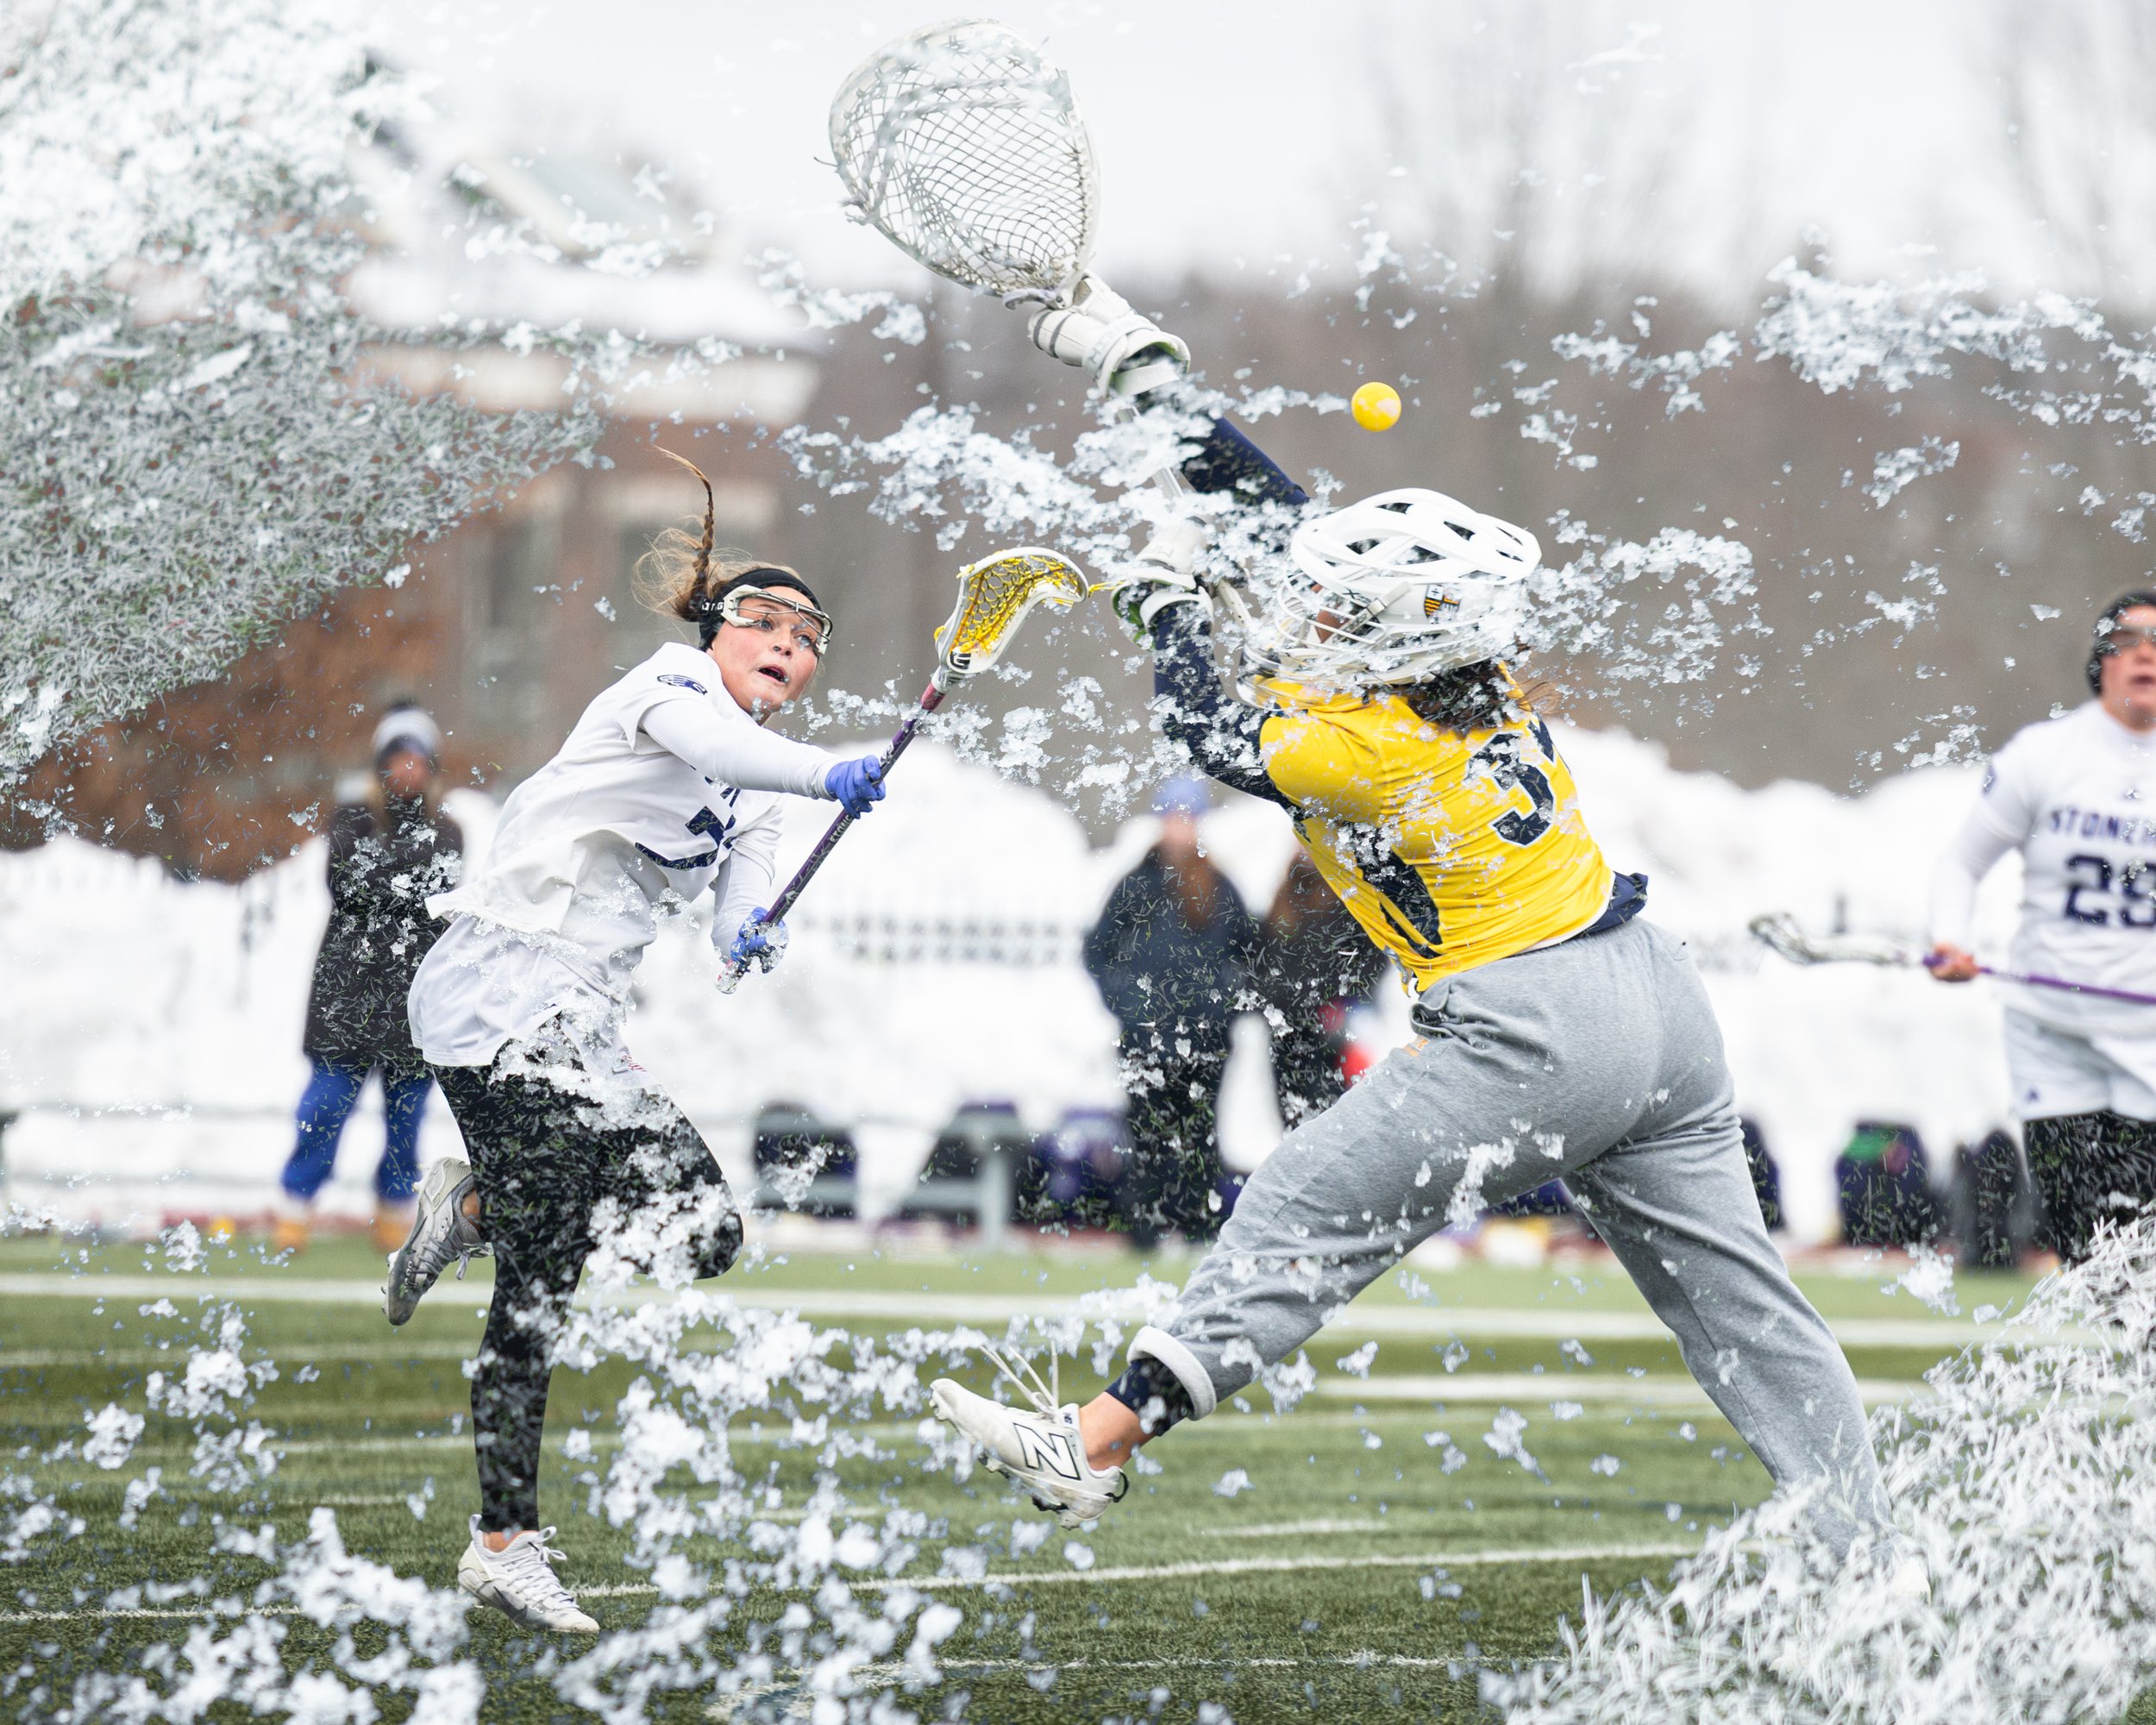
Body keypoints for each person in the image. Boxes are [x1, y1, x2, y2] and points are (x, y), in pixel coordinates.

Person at [931, 404, 1915, 1586]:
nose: (1320, 614)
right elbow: (1286, 527)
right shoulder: (1473, 677)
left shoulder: (1369, 744)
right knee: (1748, 1315)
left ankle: (1088, 1444)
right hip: (1660, 1007)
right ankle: (1874, 1553)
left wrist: (1170, 612)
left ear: (1403, 626)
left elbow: (1204, 726)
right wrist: (1161, 396)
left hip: (1538, 1031)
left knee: (1304, 1202)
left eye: (1345, 608)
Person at [384, 453, 888, 1634]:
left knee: (702, 1233)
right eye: (763, 619)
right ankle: (504, 1540)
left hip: (583, 1031)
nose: (786, 641)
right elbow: (732, 757)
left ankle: (475, 1210)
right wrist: (831, 774)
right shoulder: (664, 691)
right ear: (714, 631)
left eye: (808, 635)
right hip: (496, 996)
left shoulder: (760, 788)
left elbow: (737, 898)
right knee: (548, 1271)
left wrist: (748, 930)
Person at [1928, 591, 2156, 1262]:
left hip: (2149, 1037)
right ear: (2101, 662)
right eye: (2128, 641)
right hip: (2050, 1035)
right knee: (2080, 1238)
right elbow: (1960, 866)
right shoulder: (2045, 754)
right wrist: (1951, 938)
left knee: (2141, 1228)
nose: (2145, 653)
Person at [273, 705, 463, 1255]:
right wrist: (401, 875)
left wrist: (385, 874)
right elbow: (348, 882)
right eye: (397, 760)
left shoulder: (447, 831)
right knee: (322, 1111)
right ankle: (295, 1207)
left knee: (406, 1122)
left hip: (412, 1003)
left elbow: (435, 888)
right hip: (345, 998)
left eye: (417, 760)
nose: (408, 771)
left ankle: (393, 1211)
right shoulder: (349, 821)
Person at [1081, 776, 1259, 1244]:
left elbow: (1248, 956)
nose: (1180, 827)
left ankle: (1197, 1223)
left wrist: (1221, 1008)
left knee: (1199, 1132)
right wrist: (1126, 1004)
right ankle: (1144, 1226)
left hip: (1205, 1041)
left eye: (1188, 818)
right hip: (1143, 1038)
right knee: (1147, 1132)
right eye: (1172, 817)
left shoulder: (1220, 889)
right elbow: (1099, 951)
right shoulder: (1135, 886)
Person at [1252, 850, 1389, 1130]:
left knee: (1340, 1118)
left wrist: (1347, 998)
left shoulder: (1348, 896)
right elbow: (1262, 959)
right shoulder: (1284, 896)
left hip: (1336, 1030)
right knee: (1295, 1119)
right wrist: (1269, 1001)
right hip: (1288, 1033)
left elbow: (1374, 956)